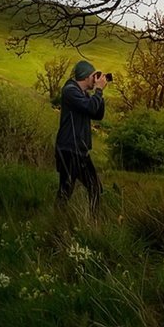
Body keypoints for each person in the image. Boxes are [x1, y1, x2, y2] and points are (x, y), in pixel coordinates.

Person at [56, 60, 109, 215]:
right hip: (69, 149)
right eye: (94, 76)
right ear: (86, 77)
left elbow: (97, 114)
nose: (95, 79)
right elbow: (90, 107)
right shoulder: (70, 91)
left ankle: (91, 222)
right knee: (67, 190)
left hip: (78, 149)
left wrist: (100, 93)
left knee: (93, 188)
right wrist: (98, 90)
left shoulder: (82, 94)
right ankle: (59, 223)